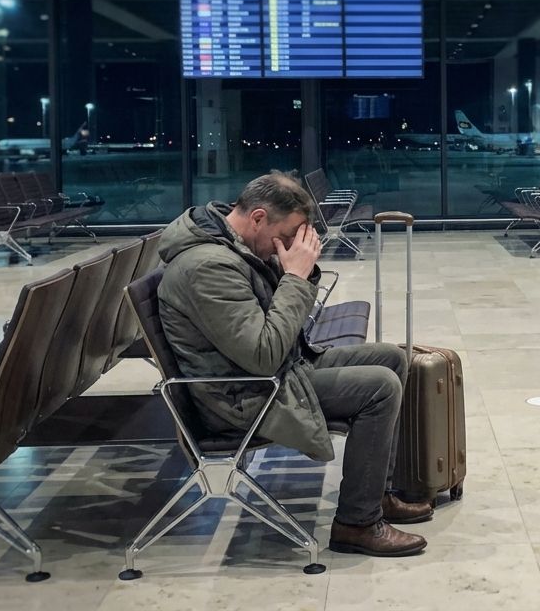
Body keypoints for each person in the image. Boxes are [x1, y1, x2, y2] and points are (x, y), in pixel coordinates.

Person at [156, 170, 431, 557]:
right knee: (380, 387)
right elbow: (263, 352)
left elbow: (271, 337)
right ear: (257, 218)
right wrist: (297, 277)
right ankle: (357, 524)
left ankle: (375, 497)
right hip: (242, 396)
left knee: (390, 358)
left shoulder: (233, 244)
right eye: (286, 236)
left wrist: (298, 272)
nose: (287, 246)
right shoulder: (208, 267)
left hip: (271, 373)